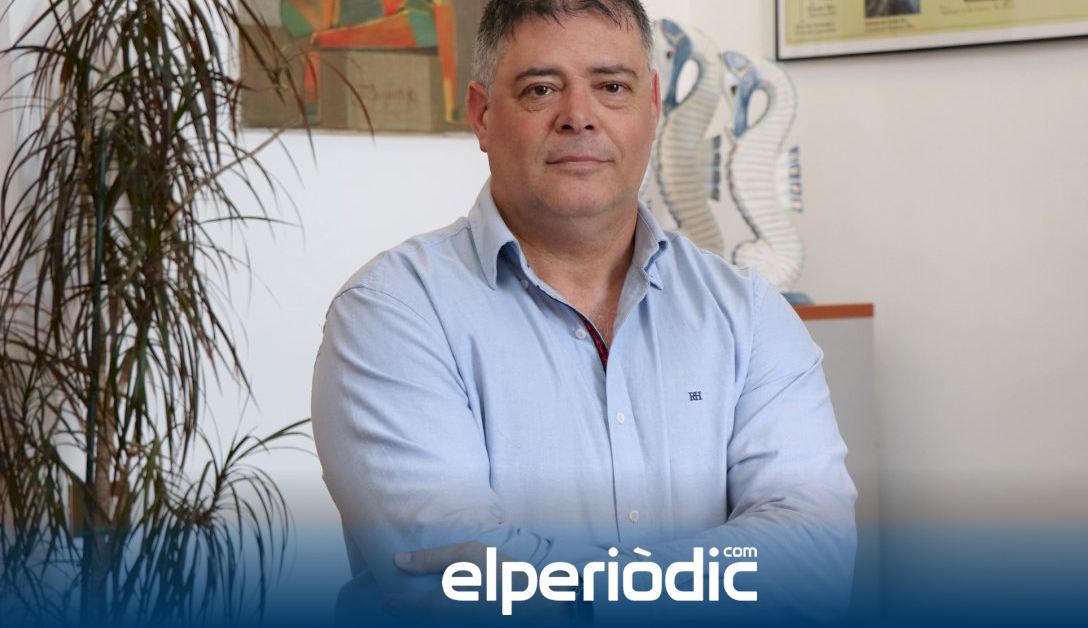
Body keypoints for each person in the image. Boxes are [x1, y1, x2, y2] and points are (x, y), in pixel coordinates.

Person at [310, 0, 857, 623]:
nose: (579, 116)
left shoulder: (749, 314)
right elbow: (456, 588)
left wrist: (566, 588)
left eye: (612, 87)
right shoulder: (391, 314)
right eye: (541, 89)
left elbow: (815, 558)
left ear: (652, 106)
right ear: (483, 116)